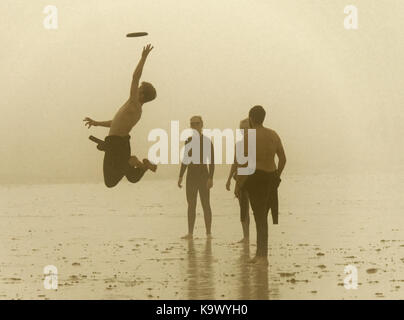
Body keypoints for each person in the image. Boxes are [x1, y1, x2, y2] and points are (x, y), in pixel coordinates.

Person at [83, 44, 157, 188]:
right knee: (132, 177)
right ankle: (142, 165)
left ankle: (132, 161)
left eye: (139, 89)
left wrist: (143, 57)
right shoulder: (133, 108)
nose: (136, 89)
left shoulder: (134, 104)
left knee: (110, 181)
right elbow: (115, 123)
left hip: (117, 143)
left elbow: (135, 77)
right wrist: (97, 123)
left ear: (141, 95)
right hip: (118, 143)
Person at [244, 105, 286, 265]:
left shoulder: (249, 136)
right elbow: (283, 159)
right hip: (271, 177)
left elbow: (244, 162)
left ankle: (262, 256)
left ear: (251, 119)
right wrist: (277, 176)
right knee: (264, 216)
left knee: (259, 217)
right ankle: (261, 254)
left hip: (257, 177)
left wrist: (240, 184)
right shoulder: (273, 134)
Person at [178, 116, 214, 240]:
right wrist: (180, 176)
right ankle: (190, 233)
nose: (194, 126)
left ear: (202, 124)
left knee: (206, 204)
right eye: (192, 124)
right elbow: (185, 160)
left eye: (197, 123)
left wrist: (211, 178)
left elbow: (212, 162)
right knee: (191, 205)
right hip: (191, 177)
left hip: (203, 176)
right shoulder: (188, 141)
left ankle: (208, 233)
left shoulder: (207, 141)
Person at [226, 118, 250, 244]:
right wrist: (229, 179)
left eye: (246, 128)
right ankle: (246, 236)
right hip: (240, 180)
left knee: (257, 210)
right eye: (242, 129)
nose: (244, 131)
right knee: (243, 209)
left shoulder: (256, 143)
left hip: (254, 179)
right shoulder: (238, 145)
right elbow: (235, 162)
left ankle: (259, 237)